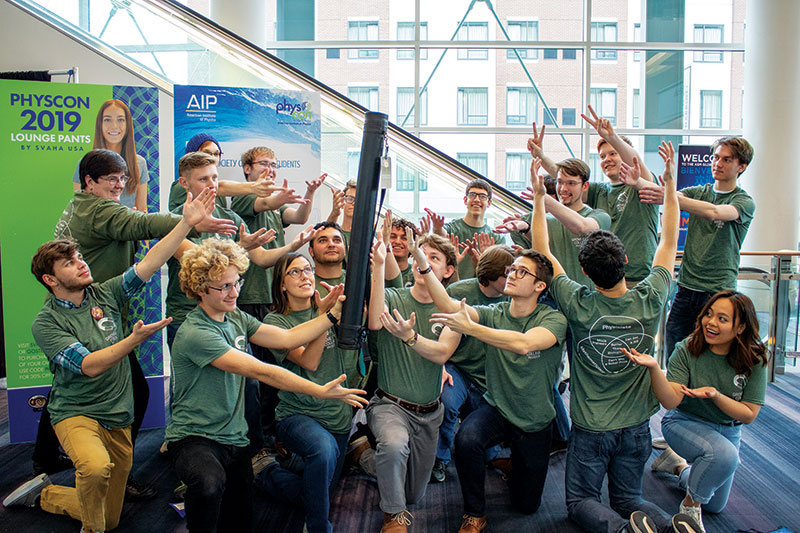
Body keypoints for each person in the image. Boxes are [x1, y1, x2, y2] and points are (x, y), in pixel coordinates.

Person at [2, 187, 215, 532]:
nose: (81, 263)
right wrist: (133, 340)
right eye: (69, 263)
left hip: (118, 414)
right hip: (76, 412)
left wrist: (185, 223)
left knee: (109, 516)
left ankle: (46, 495)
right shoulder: (46, 322)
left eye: (79, 257)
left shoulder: (105, 292)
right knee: (96, 470)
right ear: (50, 279)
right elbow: (89, 366)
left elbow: (152, 261)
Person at [530, 142, 701, 533]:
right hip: (638, 426)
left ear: (586, 274)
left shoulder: (577, 301)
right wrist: (669, 183)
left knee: (581, 502)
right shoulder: (651, 297)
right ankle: (670, 525)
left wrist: (541, 197)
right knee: (630, 498)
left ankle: (624, 531)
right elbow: (669, 240)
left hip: (591, 427)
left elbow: (542, 250)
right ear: (626, 262)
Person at [52, 148, 235, 499]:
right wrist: (190, 221)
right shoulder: (98, 209)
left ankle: (47, 460)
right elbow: (142, 224)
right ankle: (105, 477)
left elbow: (145, 249)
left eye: (124, 179)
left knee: (71, 389)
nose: (120, 186)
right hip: (89, 313)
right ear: (89, 181)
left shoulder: (83, 203)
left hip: (99, 306)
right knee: (125, 391)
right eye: (112, 180)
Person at [165, 238, 367, 533]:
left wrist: (330, 315)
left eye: (237, 283)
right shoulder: (197, 332)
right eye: (224, 287)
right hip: (196, 437)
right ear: (199, 289)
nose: (234, 293)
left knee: (246, 517)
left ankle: (266, 474)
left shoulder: (235, 316)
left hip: (234, 437)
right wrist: (320, 391)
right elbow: (265, 372)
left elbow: (286, 338)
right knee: (209, 486)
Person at [418, 233, 567, 532]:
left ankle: (518, 470)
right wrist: (423, 266)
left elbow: (524, 343)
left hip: (534, 419)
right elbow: (448, 303)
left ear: (540, 286)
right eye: (512, 270)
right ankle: (474, 513)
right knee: (467, 440)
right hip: (498, 407)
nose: (512, 274)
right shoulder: (494, 312)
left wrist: (471, 328)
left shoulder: (554, 319)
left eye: (521, 272)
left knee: (526, 506)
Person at [624, 291, 768, 532]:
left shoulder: (754, 357)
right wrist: (655, 369)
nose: (711, 323)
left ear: (741, 327)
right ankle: (688, 510)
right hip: (683, 422)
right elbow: (670, 402)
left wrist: (716, 395)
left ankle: (678, 467)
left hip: (728, 430)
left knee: (714, 505)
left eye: (723, 319)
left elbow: (749, 414)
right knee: (725, 458)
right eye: (709, 314)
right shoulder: (688, 348)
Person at [257, 253, 359, 533]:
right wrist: (324, 318)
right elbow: (309, 362)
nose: (305, 276)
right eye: (295, 272)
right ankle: (317, 528)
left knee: (316, 495)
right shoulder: (276, 322)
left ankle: (266, 473)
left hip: (337, 415)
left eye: (308, 270)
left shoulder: (331, 308)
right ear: (281, 284)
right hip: (297, 414)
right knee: (322, 452)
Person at [367, 233, 462, 533]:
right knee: (394, 447)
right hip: (390, 406)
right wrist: (379, 265)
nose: (425, 262)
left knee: (414, 494)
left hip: (430, 414)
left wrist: (409, 336)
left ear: (448, 271)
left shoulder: (453, 311)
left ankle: (362, 456)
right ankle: (393, 518)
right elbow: (373, 323)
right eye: (421, 255)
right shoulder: (394, 297)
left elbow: (442, 352)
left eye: (434, 258)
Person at [639, 137, 756, 361]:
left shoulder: (744, 201)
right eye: (715, 157)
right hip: (686, 288)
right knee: (674, 351)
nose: (717, 163)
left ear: (741, 166)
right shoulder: (699, 191)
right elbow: (666, 193)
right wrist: (638, 182)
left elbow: (715, 212)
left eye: (726, 159)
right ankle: (675, 396)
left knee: (711, 356)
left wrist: (670, 196)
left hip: (718, 291)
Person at [428, 245, 516, 484]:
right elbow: (434, 330)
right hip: (457, 368)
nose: (512, 278)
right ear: (491, 274)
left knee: (485, 443)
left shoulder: (515, 298)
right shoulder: (459, 292)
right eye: (507, 273)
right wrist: (440, 366)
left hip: (491, 374)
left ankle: (489, 453)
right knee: (446, 403)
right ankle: (439, 459)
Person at [168, 133, 280, 211]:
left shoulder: (220, 197)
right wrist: (253, 187)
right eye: (206, 153)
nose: (213, 158)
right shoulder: (181, 186)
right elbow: (220, 187)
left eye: (216, 154)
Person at [72, 99, 148, 211]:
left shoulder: (139, 163)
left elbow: (142, 210)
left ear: (127, 125)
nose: (114, 126)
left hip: (128, 227)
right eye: (107, 120)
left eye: (120, 120)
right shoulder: (85, 163)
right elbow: (79, 209)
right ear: (100, 124)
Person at [426, 178, 506, 281]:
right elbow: (442, 234)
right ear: (465, 200)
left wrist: (487, 258)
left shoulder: (496, 237)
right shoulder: (453, 227)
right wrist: (437, 228)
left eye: (482, 196)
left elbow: (498, 273)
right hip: (449, 289)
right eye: (472, 195)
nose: (477, 200)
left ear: (489, 203)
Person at [327, 180, 356, 249]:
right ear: (342, 202)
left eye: (359, 200)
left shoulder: (371, 236)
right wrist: (335, 213)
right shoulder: (337, 233)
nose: (353, 203)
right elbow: (326, 233)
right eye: (350, 199)